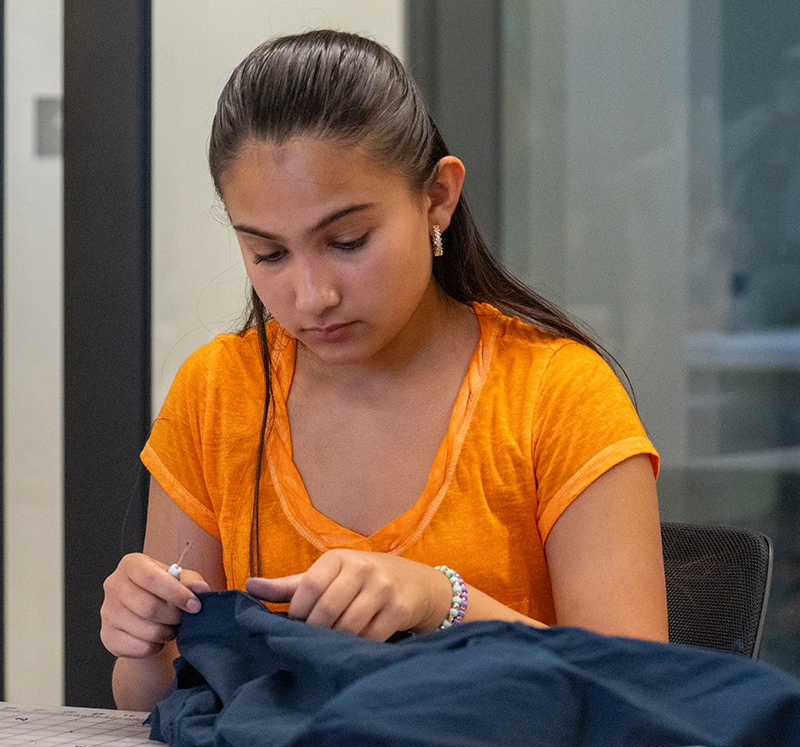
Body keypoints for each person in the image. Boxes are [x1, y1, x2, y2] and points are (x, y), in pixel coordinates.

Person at [100, 29, 668, 712]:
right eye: (269, 255)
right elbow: (154, 704)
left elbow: (643, 701)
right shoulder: (218, 392)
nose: (312, 297)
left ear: (437, 198)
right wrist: (139, 638)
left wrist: (443, 601)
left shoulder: (558, 394)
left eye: (347, 241)